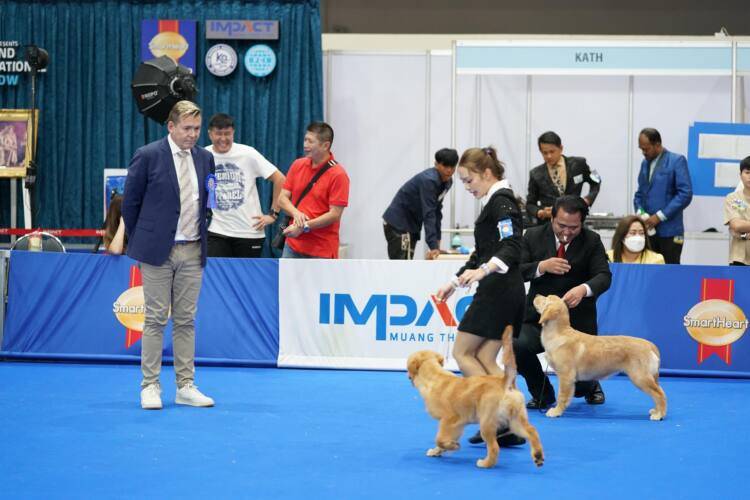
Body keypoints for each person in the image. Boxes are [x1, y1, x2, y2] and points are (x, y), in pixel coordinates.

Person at [122, 100, 216, 410]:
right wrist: (143, 240)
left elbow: (209, 200)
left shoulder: (205, 158)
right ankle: (150, 385)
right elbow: (130, 204)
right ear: (171, 126)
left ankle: (185, 386)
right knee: (155, 318)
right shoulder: (148, 155)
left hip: (193, 249)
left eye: (197, 128)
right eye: (187, 128)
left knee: (186, 320)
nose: (193, 134)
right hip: (157, 252)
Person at [434, 146, 527, 447]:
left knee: (462, 353)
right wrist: (454, 281)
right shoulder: (495, 201)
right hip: (503, 290)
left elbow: (512, 247)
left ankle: (496, 418)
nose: (466, 187)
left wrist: (484, 270)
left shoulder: (502, 202)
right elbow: (483, 252)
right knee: (485, 358)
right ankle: (510, 421)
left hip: (499, 291)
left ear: (486, 173)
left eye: (468, 180)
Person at [515, 195, 612, 410]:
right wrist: (541, 266)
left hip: (577, 325)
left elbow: (604, 276)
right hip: (539, 320)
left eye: (573, 227)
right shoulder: (532, 236)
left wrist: (583, 289)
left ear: (582, 223)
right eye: (561, 225)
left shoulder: (592, 240)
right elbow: (516, 271)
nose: (566, 232)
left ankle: (590, 386)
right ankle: (543, 394)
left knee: (578, 388)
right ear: (551, 218)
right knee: (516, 344)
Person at [205, 113, 286, 258]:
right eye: (218, 134)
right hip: (216, 230)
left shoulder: (248, 154)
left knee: (246, 273)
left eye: (227, 134)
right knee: (216, 272)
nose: (223, 139)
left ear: (233, 133)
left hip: (249, 232)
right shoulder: (204, 155)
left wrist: (273, 214)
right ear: (210, 134)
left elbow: (280, 179)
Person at [278, 121, 349, 258]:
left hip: (322, 250)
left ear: (325, 145)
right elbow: (282, 199)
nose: (305, 145)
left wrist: (304, 226)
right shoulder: (297, 165)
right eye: (305, 140)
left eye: (310, 141)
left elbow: (334, 214)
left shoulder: (339, 175)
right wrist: (296, 213)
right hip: (293, 246)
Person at [382, 148, 458, 259]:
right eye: (445, 166)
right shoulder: (429, 180)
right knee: (402, 265)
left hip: (411, 225)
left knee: (407, 262)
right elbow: (429, 213)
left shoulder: (448, 182)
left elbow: (437, 211)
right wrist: (433, 246)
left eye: (452, 166)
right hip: (399, 223)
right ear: (436, 164)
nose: (449, 170)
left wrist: (437, 242)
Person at [634, 128, 693, 264]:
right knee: (649, 270)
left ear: (657, 145)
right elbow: (640, 194)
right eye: (641, 149)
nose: (643, 153)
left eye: (646, 149)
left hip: (670, 232)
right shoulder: (644, 163)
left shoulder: (676, 161)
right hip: (648, 231)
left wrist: (659, 216)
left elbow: (685, 194)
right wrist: (640, 212)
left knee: (669, 271)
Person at [526, 131, 601, 226]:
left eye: (552, 151)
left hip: (575, 222)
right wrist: (540, 212)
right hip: (549, 225)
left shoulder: (579, 164)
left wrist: (587, 200)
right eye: (545, 153)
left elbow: (597, 181)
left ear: (561, 148)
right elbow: (530, 204)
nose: (549, 156)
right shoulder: (535, 174)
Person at [723, 156, 750, 265]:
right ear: (740, 175)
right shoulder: (733, 198)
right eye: (747, 172)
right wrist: (744, 235)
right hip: (739, 258)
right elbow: (736, 226)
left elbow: (741, 227)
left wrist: (744, 228)